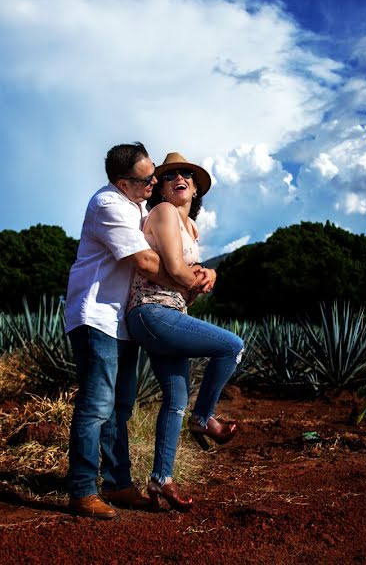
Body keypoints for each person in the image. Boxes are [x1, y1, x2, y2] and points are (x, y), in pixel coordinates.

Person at [64, 142, 210, 519]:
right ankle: (82, 490)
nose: (153, 183)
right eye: (146, 179)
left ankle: (118, 485)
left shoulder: (140, 205)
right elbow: (146, 262)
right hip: (95, 315)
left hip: (121, 320)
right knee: (97, 406)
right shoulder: (107, 205)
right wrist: (186, 282)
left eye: (153, 177)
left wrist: (198, 272)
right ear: (121, 181)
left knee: (121, 407)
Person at [126, 152, 244, 512]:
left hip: (171, 314)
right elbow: (177, 270)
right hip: (151, 311)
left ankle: (161, 480)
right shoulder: (161, 213)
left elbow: (187, 283)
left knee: (175, 398)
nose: (179, 178)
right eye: (170, 175)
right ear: (160, 187)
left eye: (186, 175)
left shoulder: (191, 228)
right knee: (231, 346)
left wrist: (209, 274)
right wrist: (202, 276)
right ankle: (203, 417)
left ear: (195, 188)